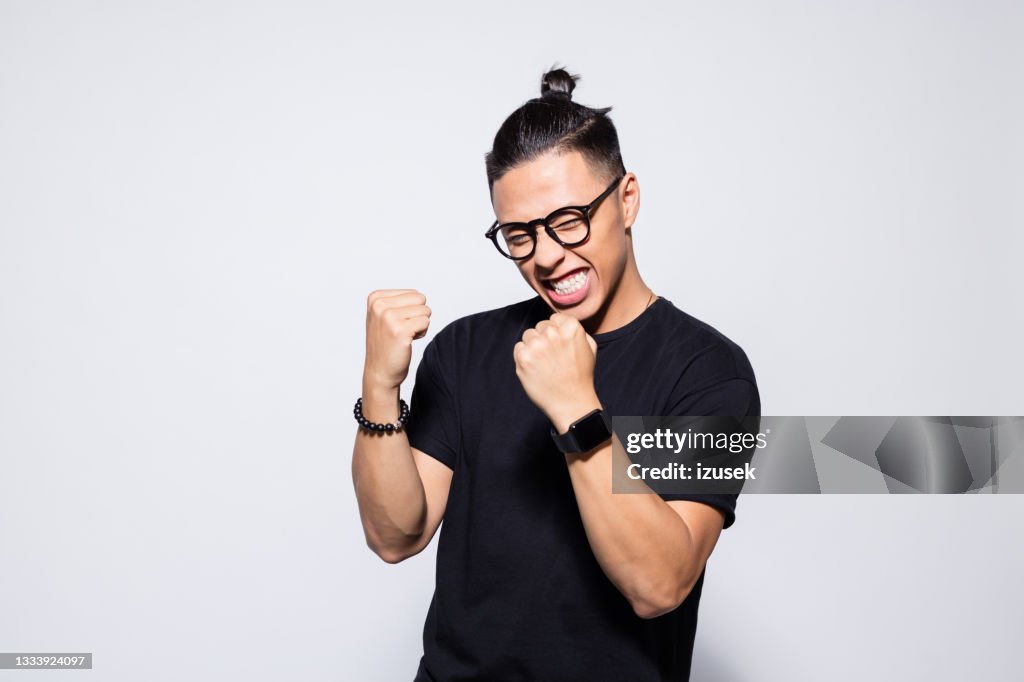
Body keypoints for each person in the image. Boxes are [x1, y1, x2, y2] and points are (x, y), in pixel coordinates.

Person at [351, 65, 759, 682]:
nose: (545, 255)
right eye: (518, 234)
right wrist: (379, 390)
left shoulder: (708, 372)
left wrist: (575, 408)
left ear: (627, 201)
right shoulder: (466, 349)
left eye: (569, 221)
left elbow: (660, 584)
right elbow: (395, 537)